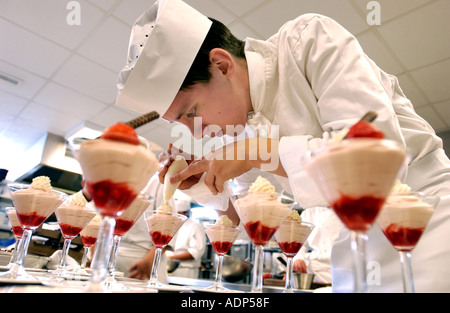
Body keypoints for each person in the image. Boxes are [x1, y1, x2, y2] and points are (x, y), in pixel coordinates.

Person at [116, 0, 450, 292]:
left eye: (192, 113)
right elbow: (254, 224)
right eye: (181, 123)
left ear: (222, 65)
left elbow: (374, 163)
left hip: (428, 225)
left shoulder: (308, 40)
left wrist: (256, 152)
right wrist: (206, 187)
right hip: (351, 246)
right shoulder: (236, 131)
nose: (196, 132)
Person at [167, 194, 206, 279]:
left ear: (186, 212)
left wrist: (171, 258)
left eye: (179, 213)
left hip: (186, 270)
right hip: (168, 267)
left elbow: (196, 252)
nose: (176, 216)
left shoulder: (196, 226)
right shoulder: (173, 225)